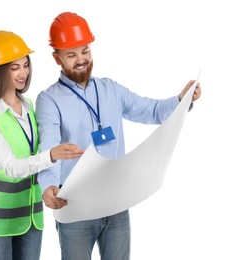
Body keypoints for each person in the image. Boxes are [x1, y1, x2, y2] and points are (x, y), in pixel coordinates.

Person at [35, 12, 202, 260]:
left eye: (85, 51)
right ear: (56, 58)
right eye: (71, 55)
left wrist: (181, 99)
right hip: (75, 207)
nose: (81, 60)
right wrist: (48, 185)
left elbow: (152, 110)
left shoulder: (110, 89)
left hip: (116, 202)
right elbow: (48, 147)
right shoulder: (49, 100)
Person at [0, 30, 83, 260]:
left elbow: (39, 154)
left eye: (25, 65)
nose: (24, 73)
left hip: (30, 218)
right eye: (15, 68)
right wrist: (52, 154)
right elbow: (13, 167)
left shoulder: (29, 105)